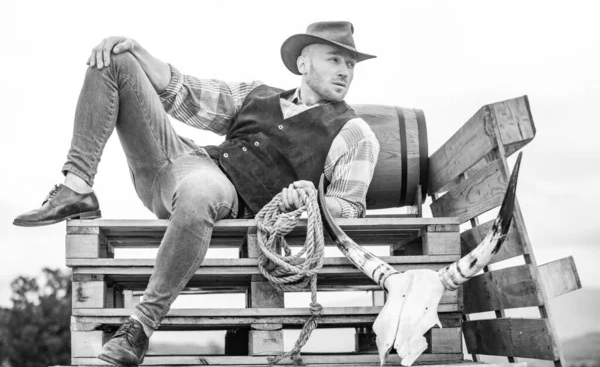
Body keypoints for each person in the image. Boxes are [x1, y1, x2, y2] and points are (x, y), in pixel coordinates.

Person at [13, 21, 380, 366]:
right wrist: (137, 49)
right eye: (334, 59)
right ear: (303, 62)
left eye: (350, 63)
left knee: (201, 189)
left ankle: (140, 325)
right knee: (115, 56)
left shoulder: (353, 132)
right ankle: (77, 186)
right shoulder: (256, 94)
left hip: (223, 195)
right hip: (181, 161)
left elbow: (349, 208)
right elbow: (183, 92)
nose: (344, 71)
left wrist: (309, 197)